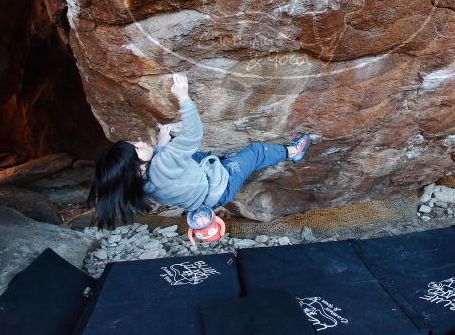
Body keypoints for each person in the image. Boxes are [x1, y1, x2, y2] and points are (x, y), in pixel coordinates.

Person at [87, 73, 311, 231]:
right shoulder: (165, 162)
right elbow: (193, 134)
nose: (141, 142)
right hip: (220, 187)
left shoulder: (140, 185)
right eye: (137, 147)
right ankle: (293, 151)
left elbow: (164, 165)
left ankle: (210, 204)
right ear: (138, 168)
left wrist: (162, 144)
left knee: (193, 158)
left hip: (200, 198)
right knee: (255, 152)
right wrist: (183, 97)